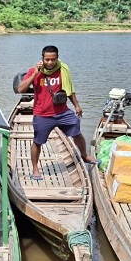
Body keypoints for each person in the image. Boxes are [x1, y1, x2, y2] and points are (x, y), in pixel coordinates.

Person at [16, 45, 95, 180]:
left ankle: (84, 155)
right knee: (38, 142)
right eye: (47, 59)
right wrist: (35, 73)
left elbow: (69, 89)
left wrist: (77, 106)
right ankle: (35, 169)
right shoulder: (34, 71)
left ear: (57, 58)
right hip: (42, 114)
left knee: (77, 132)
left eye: (53, 59)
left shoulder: (63, 70)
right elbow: (20, 89)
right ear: (42, 58)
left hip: (62, 112)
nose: (50, 62)